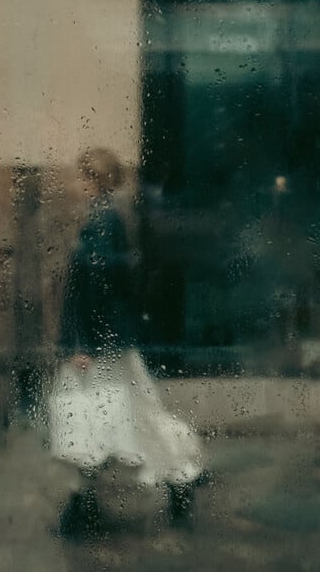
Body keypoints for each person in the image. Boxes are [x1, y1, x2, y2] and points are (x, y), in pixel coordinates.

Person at [48, 147, 204, 535]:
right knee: (118, 414)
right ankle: (175, 478)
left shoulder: (102, 219)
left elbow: (96, 288)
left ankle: (84, 501)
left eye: (80, 176)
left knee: (85, 415)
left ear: (93, 180)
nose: (74, 183)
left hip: (100, 346)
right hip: (107, 342)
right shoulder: (109, 216)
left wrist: (83, 343)